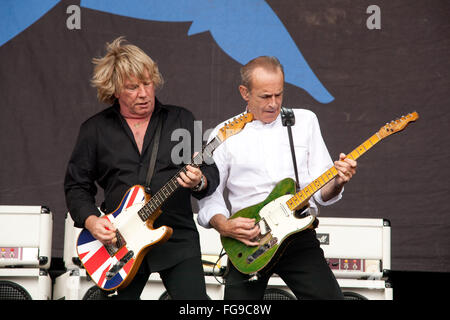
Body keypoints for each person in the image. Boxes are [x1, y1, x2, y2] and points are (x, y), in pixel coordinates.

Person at [64, 37, 219, 299]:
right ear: (114, 90)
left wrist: (199, 181)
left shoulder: (182, 119)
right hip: (120, 240)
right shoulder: (94, 130)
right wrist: (92, 221)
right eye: (132, 87)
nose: (144, 93)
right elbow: (76, 185)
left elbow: (210, 173)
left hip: (175, 235)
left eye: (147, 83)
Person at [197, 56, 357, 300]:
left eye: (279, 95)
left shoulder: (305, 121)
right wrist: (224, 225)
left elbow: (322, 193)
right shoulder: (224, 132)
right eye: (264, 96)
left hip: (297, 235)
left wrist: (338, 182)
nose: (273, 103)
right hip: (249, 238)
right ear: (244, 93)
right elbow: (210, 195)